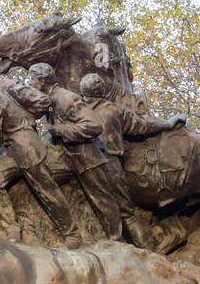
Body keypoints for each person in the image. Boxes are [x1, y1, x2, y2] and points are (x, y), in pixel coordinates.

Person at [0, 65, 82, 248]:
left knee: (46, 189)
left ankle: (72, 234)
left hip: (25, 147)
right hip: (12, 148)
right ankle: (13, 230)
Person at [78, 72, 184, 249]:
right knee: (127, 213)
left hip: (83, 163)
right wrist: (167, 123)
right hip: (110, 164)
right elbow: (143, 126)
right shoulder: (114, 110)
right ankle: (147, 253)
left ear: (83, 91)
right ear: (103, 91)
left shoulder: (76, 109)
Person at [26, 63, 129, 241]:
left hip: (87, 158)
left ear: (42, 80)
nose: (30, 83)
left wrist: (61, 129)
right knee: (39, 176)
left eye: (32, 79)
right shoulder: (49, 99)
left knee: (102, 201)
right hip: (67, 157)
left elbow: (95, 125)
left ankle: (117, 241)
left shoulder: (66, 98)